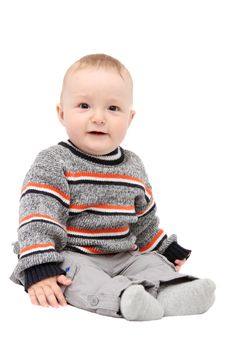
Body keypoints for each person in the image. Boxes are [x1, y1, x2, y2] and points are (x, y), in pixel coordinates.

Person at [10, 53, 215, 321]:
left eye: (113, 108)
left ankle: (170, 292)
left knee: (151, 264)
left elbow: (143, 222)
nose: (98, 118)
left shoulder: (133, 165)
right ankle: (122, 299)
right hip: (74, 253)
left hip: (123, 255)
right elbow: (38, 218)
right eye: (84, 105)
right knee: (73, 275)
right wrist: (40, 267)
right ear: (62, 113)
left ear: (129, 118)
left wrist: (164, 248)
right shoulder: (54, 161)